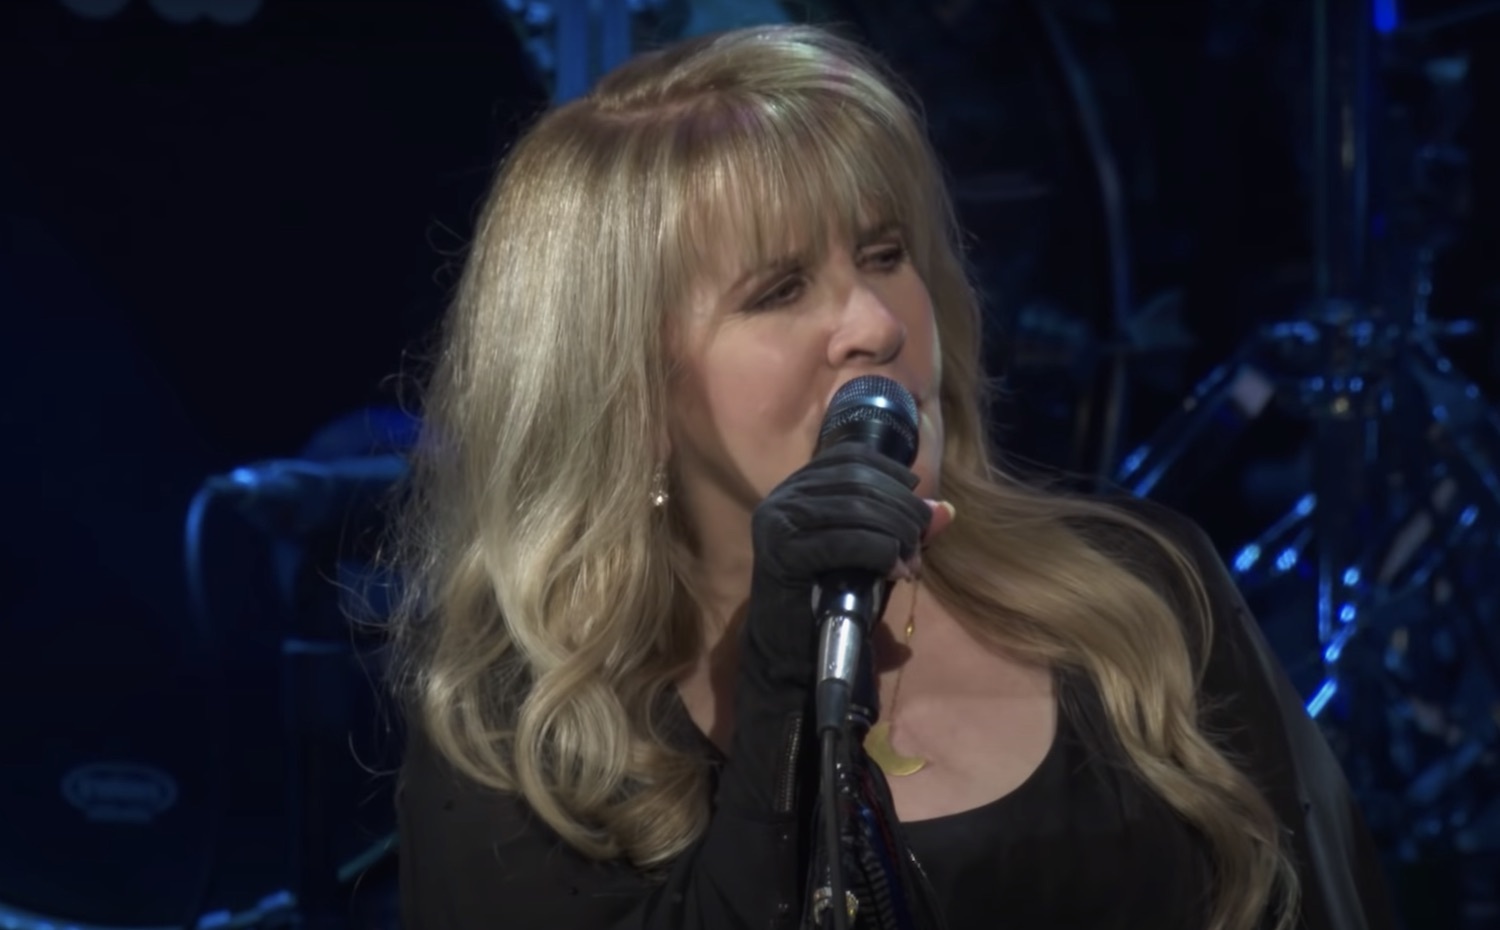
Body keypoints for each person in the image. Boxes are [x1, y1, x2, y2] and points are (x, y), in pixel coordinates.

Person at [388, 23, 1395, 930]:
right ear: (629, 391)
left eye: (883, 254)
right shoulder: (527, 736)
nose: (877, 324)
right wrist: (786, 667)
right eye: (780, 290)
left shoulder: (1143, 599)